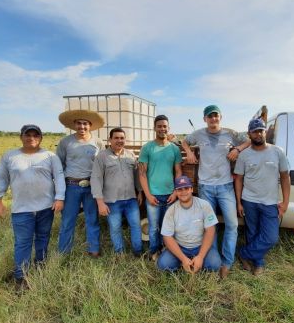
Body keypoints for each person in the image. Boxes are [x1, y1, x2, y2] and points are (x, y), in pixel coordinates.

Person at [0, 125, 65, 287]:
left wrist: (59, 198)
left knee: (43, 237)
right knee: (23, 242)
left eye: (35, 135)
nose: (31, 138)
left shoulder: (50, 156)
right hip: (21, 209)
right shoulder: (10, 156)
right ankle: (21, 276)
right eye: (28, 135)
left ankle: (40, 265)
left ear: (40, 138)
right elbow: (0, 178)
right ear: (21, 137)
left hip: (46, 207)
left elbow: (59, 178)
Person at [182, 105, 250, 278]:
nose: (213, 119)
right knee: (209, 225)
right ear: (205, 119)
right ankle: (213, 259)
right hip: (205, 187)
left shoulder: (230, 134)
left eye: (216, 116)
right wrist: (189, 152)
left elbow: (248, 140)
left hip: (225, 186)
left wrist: (237, 149)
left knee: (232, 224)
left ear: (221, 117)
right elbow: (184, 141)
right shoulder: (198, 134)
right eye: (209, 116)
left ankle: (227, 262)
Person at [234, 118, 291, 275]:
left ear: (266, 132)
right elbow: (238, 179)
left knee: (271, 237)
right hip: (249, 201)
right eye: (255, 131)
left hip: (270, 202)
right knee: (252, 232)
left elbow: (285, 177)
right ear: (249, 134)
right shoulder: (244, 155)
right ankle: (258, 263)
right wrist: (239, 202)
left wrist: (286, 202)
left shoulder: (277, 152)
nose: (258, 134)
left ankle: (243, 253)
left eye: (261, 130)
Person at [56, 110, 105, 256]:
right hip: (71, 185)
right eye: (79, 123)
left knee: (92, 218)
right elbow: (59, 164)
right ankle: (64, 251)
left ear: (90, 126)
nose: (82, 127)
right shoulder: (66, 142)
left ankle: (94, 249)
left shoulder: (98, 142)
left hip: (91, 186)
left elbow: (101, 164)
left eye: (85, 124)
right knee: (68, 220)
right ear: (74, 125)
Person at [91, 128, 143, 256]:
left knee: (136, 226)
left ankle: (138, 252)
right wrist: (100, 202)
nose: (119, 140)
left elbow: (136, 175)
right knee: (115, 228)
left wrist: (140, 192)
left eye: (122, 138)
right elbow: (96, 179)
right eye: (116, 138)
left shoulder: (130, 155)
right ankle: (120, 253)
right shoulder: (102, 156)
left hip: (131, 199)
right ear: (110, 140)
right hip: (112, 200)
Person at [139, 114, 182, 260]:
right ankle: (153, 251)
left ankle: (166, 249)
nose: (162, 129)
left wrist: (176, 192)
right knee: (153, 227)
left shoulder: (174, 149)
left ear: (168, 128)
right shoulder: (147, 148)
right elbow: (142, 174)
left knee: (168, 226)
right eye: (159, 126)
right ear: (154, 128)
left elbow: (178, 171)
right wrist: (148, 195)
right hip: (153, 195)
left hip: (170, 195)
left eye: (164, 126)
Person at [157, 176, 221, 273]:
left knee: (215, 264)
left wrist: (200, 256)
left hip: (200, 245)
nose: (183, 192)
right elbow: (167, 237)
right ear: (176, 192)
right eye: (179, 189)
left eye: (186, 188)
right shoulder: (171, 211)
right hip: (181, 247)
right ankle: (185, 262)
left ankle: (197, 261)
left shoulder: (204, 205)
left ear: (191, 189)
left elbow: (210, 230)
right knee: (163, 264)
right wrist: (182, 258)